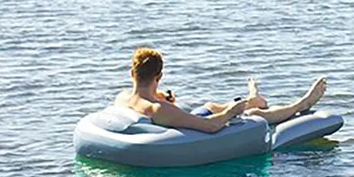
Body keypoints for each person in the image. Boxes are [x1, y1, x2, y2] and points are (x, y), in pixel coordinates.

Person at [114, 47, 328, 133]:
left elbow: (149, 98)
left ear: (132, 74)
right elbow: (212, 126)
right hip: (192, 123)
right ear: (159, 76)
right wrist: (231, 112)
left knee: (210, 106)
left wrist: (164, 98)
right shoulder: (158, 109)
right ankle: (301, 104)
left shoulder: (123, 98)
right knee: (252, 115)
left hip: (182, 115)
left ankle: (254, 98)